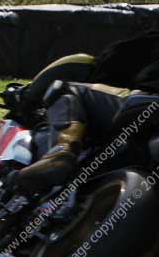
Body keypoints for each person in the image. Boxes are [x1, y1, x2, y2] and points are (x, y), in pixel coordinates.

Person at [9, 32, 159, 195]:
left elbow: (83, 62)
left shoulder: (144, 44)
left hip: (149, 104)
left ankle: (61, 151)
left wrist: (25, 96)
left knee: (66, 89)